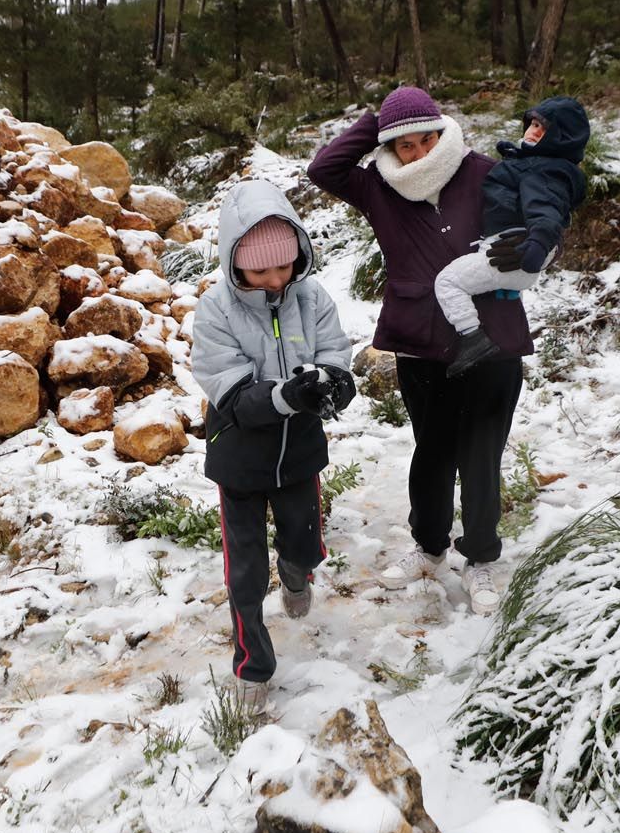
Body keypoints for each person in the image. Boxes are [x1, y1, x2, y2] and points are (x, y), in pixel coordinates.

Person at [306, 85, 530, 616]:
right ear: (389, 147)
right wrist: (377, 119)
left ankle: (480, 559)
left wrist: (534, 249)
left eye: (426, 139)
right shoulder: (379, 186)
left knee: (481, 456)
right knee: (432, 452)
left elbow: (540, 221)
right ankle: (429, 547)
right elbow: (324, 169)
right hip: (419, 342)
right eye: (404, 145)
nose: (418, 152)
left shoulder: (484, 172)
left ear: (442, 131)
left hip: (491, 336)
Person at [189, 178, 357, 717]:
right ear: (234, 262)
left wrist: (336, 383)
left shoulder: (311, 297)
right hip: (240, 457)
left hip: (300, 453)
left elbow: (334, 353)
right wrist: (288, 394)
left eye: (283, 267)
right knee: (245, 574)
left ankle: (296, 568)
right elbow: (231, 392)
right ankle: (253, 666)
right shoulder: (216, 309)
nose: (274, 279)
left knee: (305, 544)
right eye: (259, 271)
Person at [434, 96, 590, 378]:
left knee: (447, 282)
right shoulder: (532, 164)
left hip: (513, 254)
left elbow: (546, 211)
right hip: (506, 252)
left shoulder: (544, 172)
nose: (532, 131)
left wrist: (540, 245)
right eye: (532, 123)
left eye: (542, 129)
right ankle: (498, 297)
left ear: (560, 137)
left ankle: (473, 339)